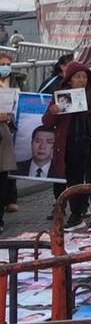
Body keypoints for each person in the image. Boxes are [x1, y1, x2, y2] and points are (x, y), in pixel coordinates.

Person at [41, 62, 91, 231]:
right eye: (78, 77)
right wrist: (53, 111)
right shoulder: (60, 95)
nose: (82, 80)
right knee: (73, 182)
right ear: (70, 79)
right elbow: (46, 122)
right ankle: (76, 215)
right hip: (70, 146)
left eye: (84, 76)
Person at [0, 53, 27, 213]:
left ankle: (11, 198)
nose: (5, 67)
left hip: (12, 126)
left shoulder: (17, 81)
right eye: (2, 64)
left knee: (8, 166)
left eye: (7, 64)